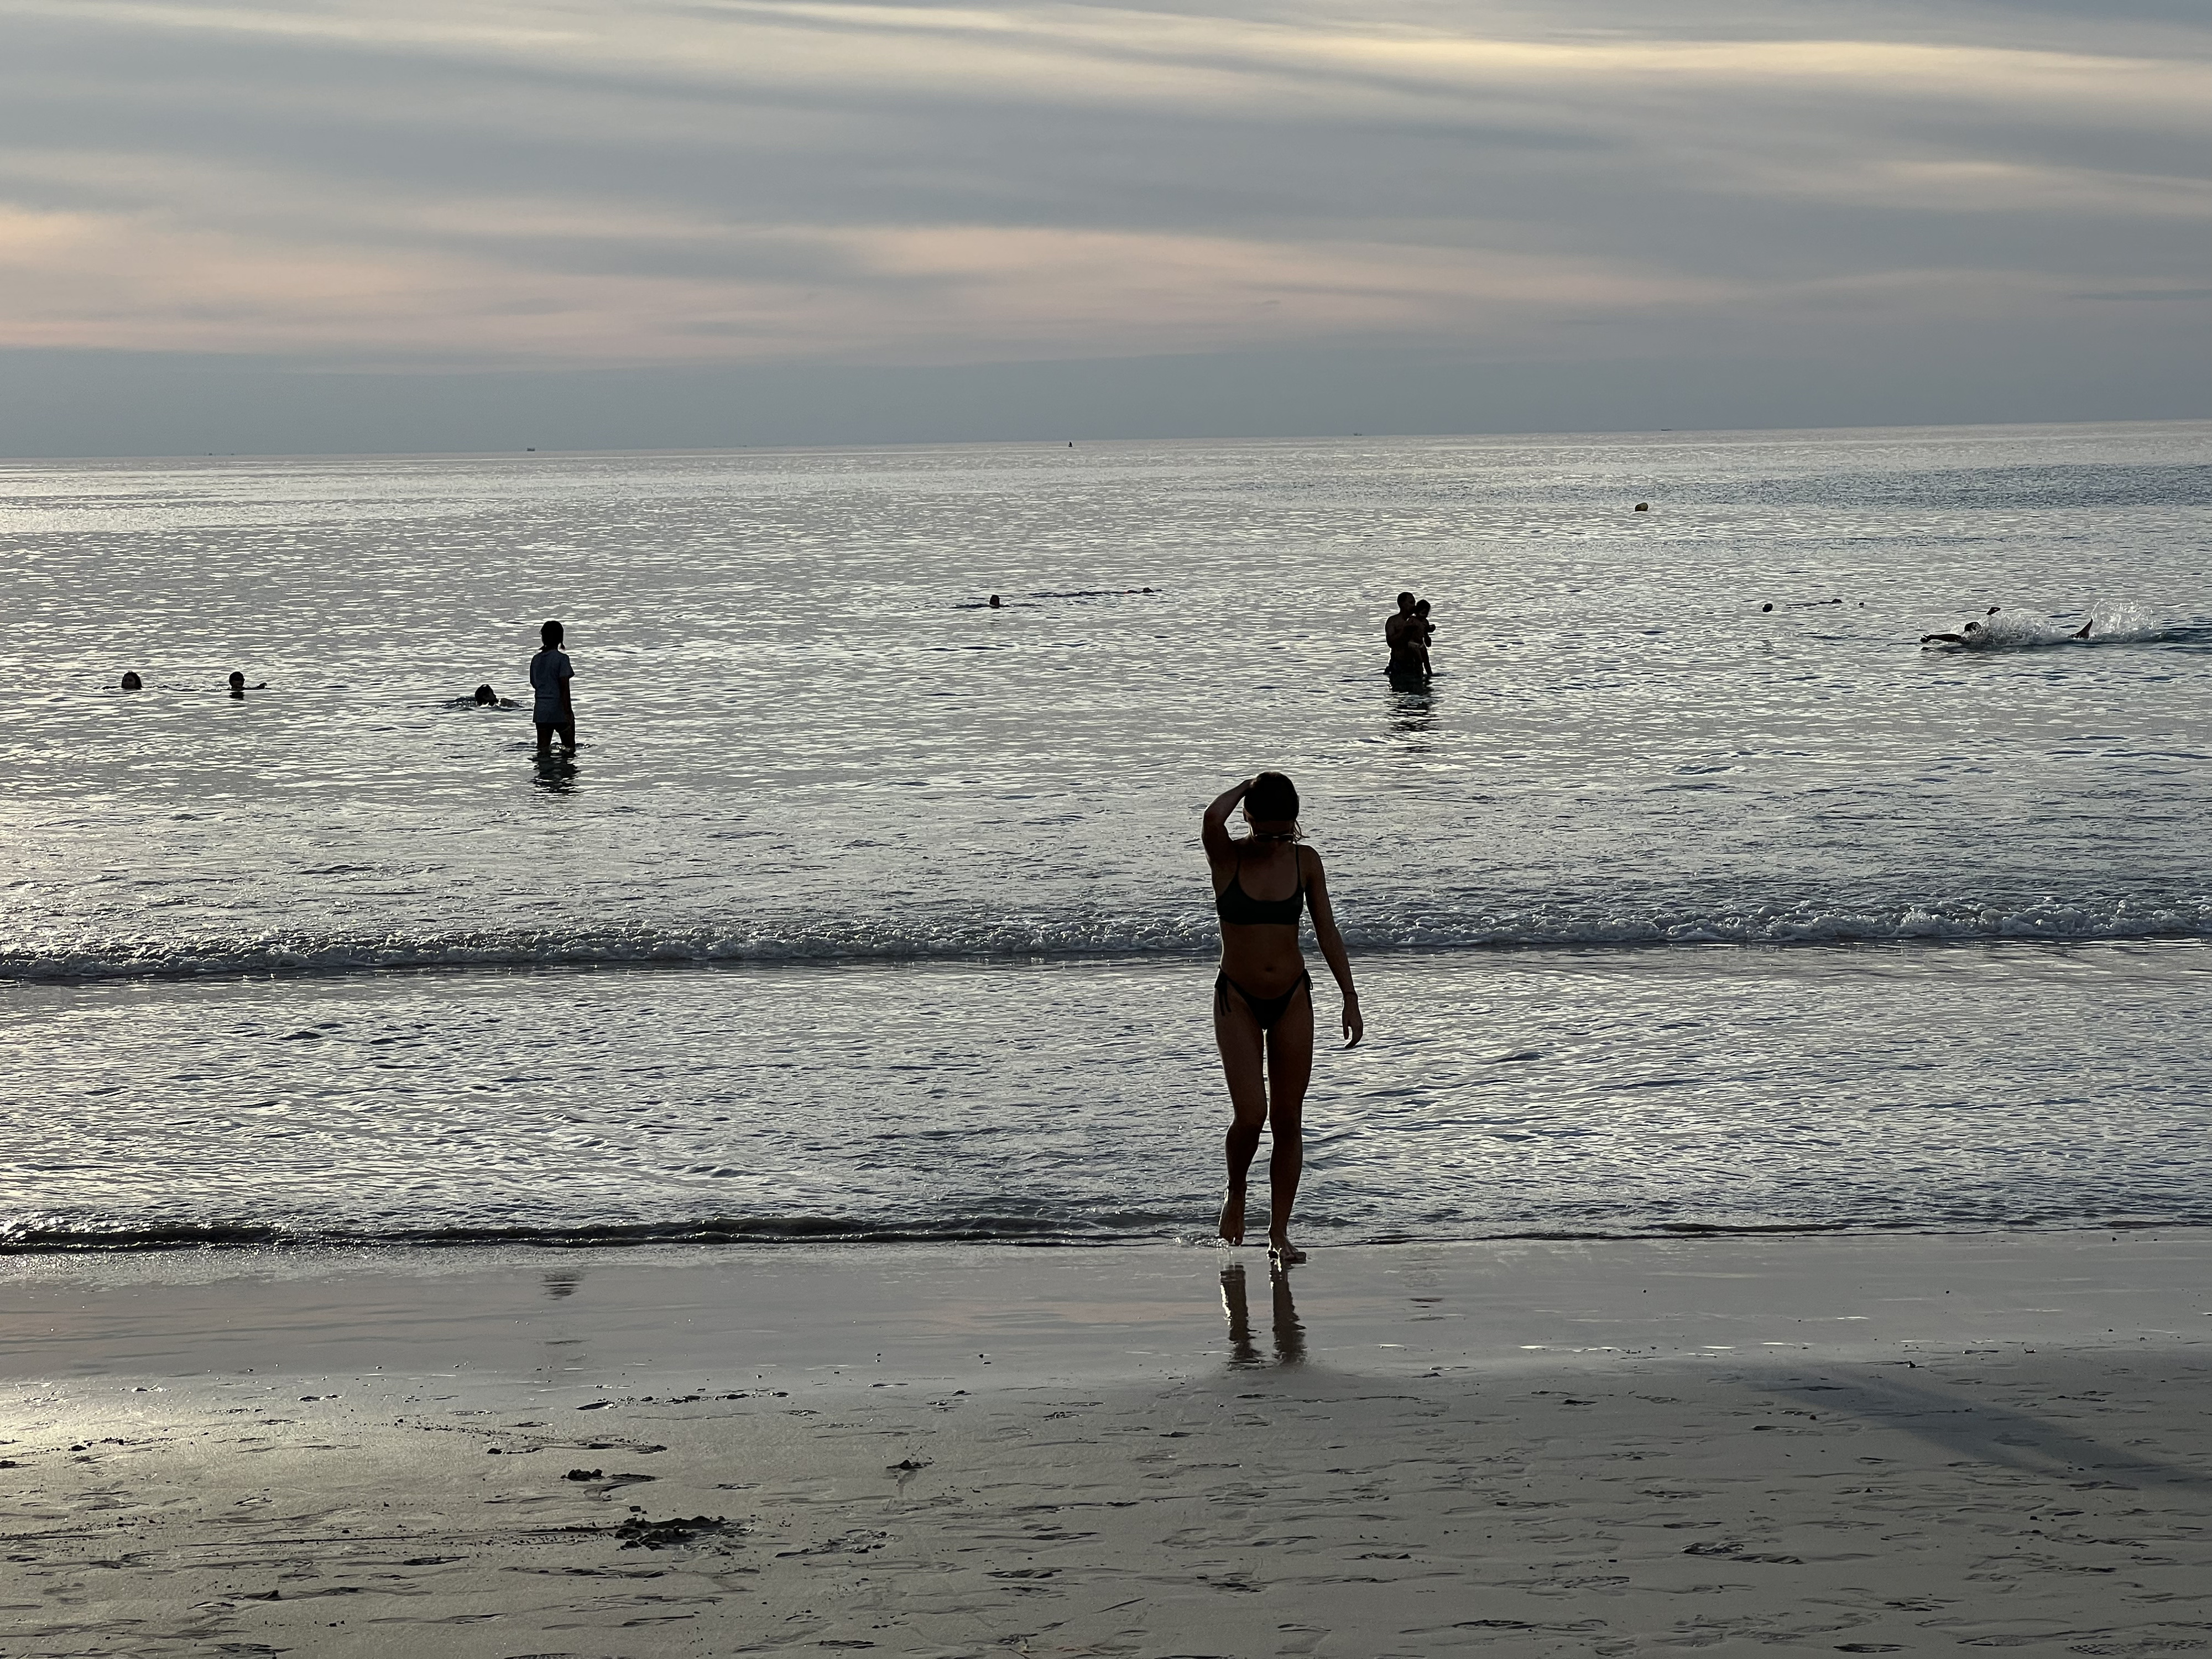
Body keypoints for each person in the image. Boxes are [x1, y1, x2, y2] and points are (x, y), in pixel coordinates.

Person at [1203, 773, 1361, 1265]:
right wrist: (1246, 785)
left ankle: (1279, 1233)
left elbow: (1328, 930)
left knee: (1289, 1119)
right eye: (1267, 829)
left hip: (1293, 996)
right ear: (1249, 816)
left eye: (1282, 831)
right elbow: (1211, 818)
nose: (1275, 841)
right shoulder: (1227, 857)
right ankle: (1235, 1193)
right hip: (1239, 999)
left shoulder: (1305, 861)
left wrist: (1350, 995)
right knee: (1251, 1115)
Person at [530, 620, 575, 754]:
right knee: (569, 750)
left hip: (541, 710)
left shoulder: (536, 660)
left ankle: (545, 773)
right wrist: (568, 712)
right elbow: (564, 688)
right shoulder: (562, 659)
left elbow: (534, 684)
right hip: (559, 709)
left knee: (543, 751)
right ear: (560, 638)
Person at [1385, 592, 1425, 679]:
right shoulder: (1393, 621)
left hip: (1415, 665)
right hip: (1399, 665)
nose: (1414, 606)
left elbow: (1423, 642)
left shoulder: (1417, 621)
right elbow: (1390, 642)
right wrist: (1405, 630)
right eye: (1411, 603)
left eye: (1414, 603)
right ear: (1402, 604)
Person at [1413, 598, 1436, 676]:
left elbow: (1426, 635)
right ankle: (1419, 674)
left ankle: (1429, 674)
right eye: (1422, 613)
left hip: (1422, 644)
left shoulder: (1425, 622)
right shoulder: (1413, 621)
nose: (1424, 616)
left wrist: (1428, 631)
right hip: (1414, 645)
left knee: (1426, 660)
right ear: (1416, 612)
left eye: (1426, 614)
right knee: (1418, 661)